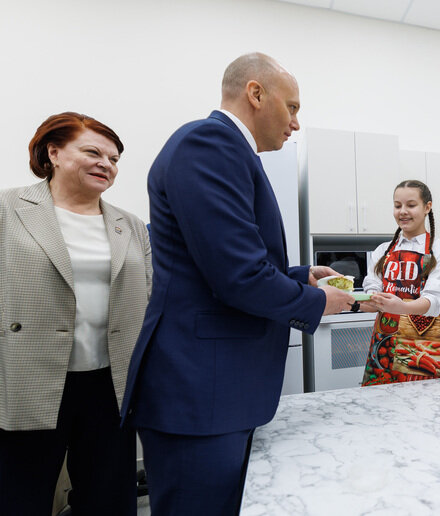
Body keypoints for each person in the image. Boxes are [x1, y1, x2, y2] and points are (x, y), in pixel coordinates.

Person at [120, 53, 354, 514]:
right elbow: (239, 277)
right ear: (255, 93)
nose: (296, 124)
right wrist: (315, 301)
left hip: (217, 390)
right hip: (201, 391)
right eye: (292, 108)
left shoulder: (228, 150)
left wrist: (300, 275)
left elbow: (220, 266)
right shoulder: (210, 143)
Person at [0, 112, 152, 514]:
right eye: (93, 152)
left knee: (109, 498)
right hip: (28, 377)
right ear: (53, 152)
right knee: (21, 496)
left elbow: (150, 294)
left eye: (115, 158)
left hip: (110, 382)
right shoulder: (8, 208)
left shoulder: (130, 225)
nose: (107, 164)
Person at [360, 180, 440, 385]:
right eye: (397, 206)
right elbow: (372, 297)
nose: (403, 211)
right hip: (384, 343)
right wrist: (352, 300)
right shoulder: (383, 251)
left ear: (427, 207)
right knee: (382, 403)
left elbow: (435, 299)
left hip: (424, 346)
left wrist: (401, 307)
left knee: (426, 405)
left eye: (411, 205)